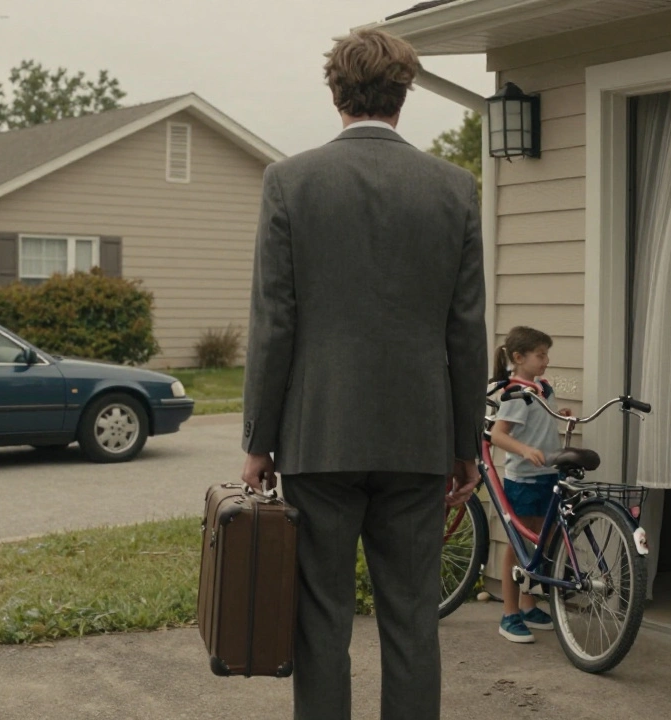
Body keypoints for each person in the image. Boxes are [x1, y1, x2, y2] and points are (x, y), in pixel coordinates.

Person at [239, 28, 487, 720]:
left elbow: (274, 323)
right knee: (412, 617)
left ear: (336, 91)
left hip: (320, 435)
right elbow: (465, 330)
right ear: (404, 93)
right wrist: (467, 443)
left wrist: (259, 439)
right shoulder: (455, 188)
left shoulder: (290, 181)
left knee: (321, 618)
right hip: (418, 438)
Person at [489, 326, 568, 644]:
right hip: (523, 479)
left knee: (540, 543)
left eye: (547, 354)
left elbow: (539, 419)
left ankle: (528, 603)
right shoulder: (514, 395)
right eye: (540, 355)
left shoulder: (542, 389)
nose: (546, 360)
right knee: (518, 545)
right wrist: (524, 450)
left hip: (548, 475)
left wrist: (558, 414)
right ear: (519, 358)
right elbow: (498, 434)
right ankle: (509, 614)